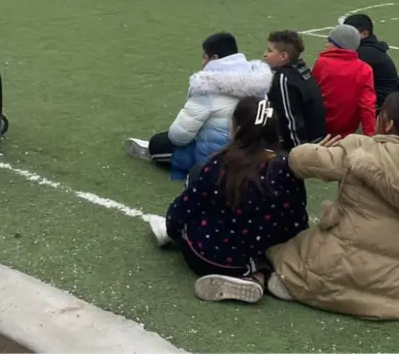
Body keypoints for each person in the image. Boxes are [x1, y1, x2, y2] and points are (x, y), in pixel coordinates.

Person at [265, 93, 399, 319]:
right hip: (390, 298)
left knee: (280, 253)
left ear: (388, 123)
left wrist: (315, 147)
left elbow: (298, 162)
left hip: (328, 275)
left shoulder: (361, 148)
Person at [149, 97, 309, 304]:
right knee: (272, 247)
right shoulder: (286, 168)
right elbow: (297, 222)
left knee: (197, 188)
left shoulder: (221, 162)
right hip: (250, 257)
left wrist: (172, 228)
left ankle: (252, 274)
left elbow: (186, 205)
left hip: (202, 254)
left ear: (237, 128)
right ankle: (258, 276)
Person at [125, 33, 273, 180]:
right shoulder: (257, 82)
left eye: (204, 56)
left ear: (214, 58)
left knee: (159, 143)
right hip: (253, 153)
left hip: (218, 157)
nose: (202, 62)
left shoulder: (206, 88)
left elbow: (179, 137)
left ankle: (153, 152)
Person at [262, 31, 326, 151]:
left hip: (301, 149)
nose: (265, 55)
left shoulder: (283, 78)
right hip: (317, 141)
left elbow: (291, 120)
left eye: (270, 51)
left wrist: (299, 153)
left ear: (283, 56)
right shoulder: (303, 69)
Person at [312, 25, 377, 137]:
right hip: (347, 132)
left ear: (337, 45)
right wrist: (370, 134)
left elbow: (313, 94)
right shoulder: (365, 69)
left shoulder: (322, 63)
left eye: (329, 41)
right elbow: (367, 105)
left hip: (319, 128)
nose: (326, 44)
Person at [343, 14, 399, 107]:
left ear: (365, 34)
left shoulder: (364, 53)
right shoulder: (370, 49)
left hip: (380, 102)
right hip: (385, 98)